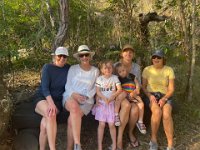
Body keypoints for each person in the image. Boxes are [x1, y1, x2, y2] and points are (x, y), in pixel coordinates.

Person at [62, 45, 99, 150]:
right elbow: (67, 85)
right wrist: (74, 94)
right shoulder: (73, 69)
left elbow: (96, 87)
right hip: (70, 96)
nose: (84, 57)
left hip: (87, 100)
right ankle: (78, 144)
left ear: (90, 56)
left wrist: (87, 96)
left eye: (86, 55)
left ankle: (70, 148)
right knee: (74, 108)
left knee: (71, 121)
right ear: (79, 57)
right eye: (81, 55)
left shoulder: (95, 71)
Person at [34, 47, 70, 150]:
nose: (62, 58)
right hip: (43, 97)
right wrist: (51, 103)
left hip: (58, 101)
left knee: (45, 126)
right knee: (51, 114)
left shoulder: (68, 68)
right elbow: (45, 88)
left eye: (65, 56)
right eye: (60, 56)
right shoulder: (47, 68)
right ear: (55, 56)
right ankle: (52, 148)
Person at [142, 50, 175, 150]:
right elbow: (143, 86)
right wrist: (149, 96)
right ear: (151, 59)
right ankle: (153, 140)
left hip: (166, 95)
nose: (156, 59)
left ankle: (170, 145)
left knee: (166, 114)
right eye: (154, 57)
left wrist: (164, 98)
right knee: (156, 111)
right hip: (151, 94)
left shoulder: (169, 70)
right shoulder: (147, 69)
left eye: (159, 57)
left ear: (163, 59)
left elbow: (171, 89)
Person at [114, 44, 140, 149]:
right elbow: (111, 81)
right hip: (120, 94)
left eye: (130, 52)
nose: (128, 53)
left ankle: (130, 133)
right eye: (126, 51)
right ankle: (119, 138)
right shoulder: (116, 65)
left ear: (133, 54)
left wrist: (136, 91)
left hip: (132, 93)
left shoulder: (136, 67)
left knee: (134, 110)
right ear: (122, 53)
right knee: (126, 106)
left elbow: (139, 84)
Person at [92, 60, 122, 150]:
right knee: (101, 124)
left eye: (110, 67)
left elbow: (119, 89)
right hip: (102, 104)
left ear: (112, 69)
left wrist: (113, 96)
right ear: (101, 69)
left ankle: (114, 145)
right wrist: (104, 98)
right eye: (105, 67)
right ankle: (100, 146)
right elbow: (97, 91)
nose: (108, 69)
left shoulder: (115, 78)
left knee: (111, 124)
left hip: (112, 104)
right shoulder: (99, 79)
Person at [115, 63, 146, 134]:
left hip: (133, 94)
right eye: (120, 72)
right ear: (118, 73)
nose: (122, 72)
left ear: (126, 70)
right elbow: (119, 89)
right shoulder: (118, 79)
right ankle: (116, 114)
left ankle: (140, 122)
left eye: (123, 70)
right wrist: (126, 93)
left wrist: (136, 90)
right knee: (119, 97)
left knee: (141, 104)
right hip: (125, 95)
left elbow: (137, 84)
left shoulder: (132, 76)